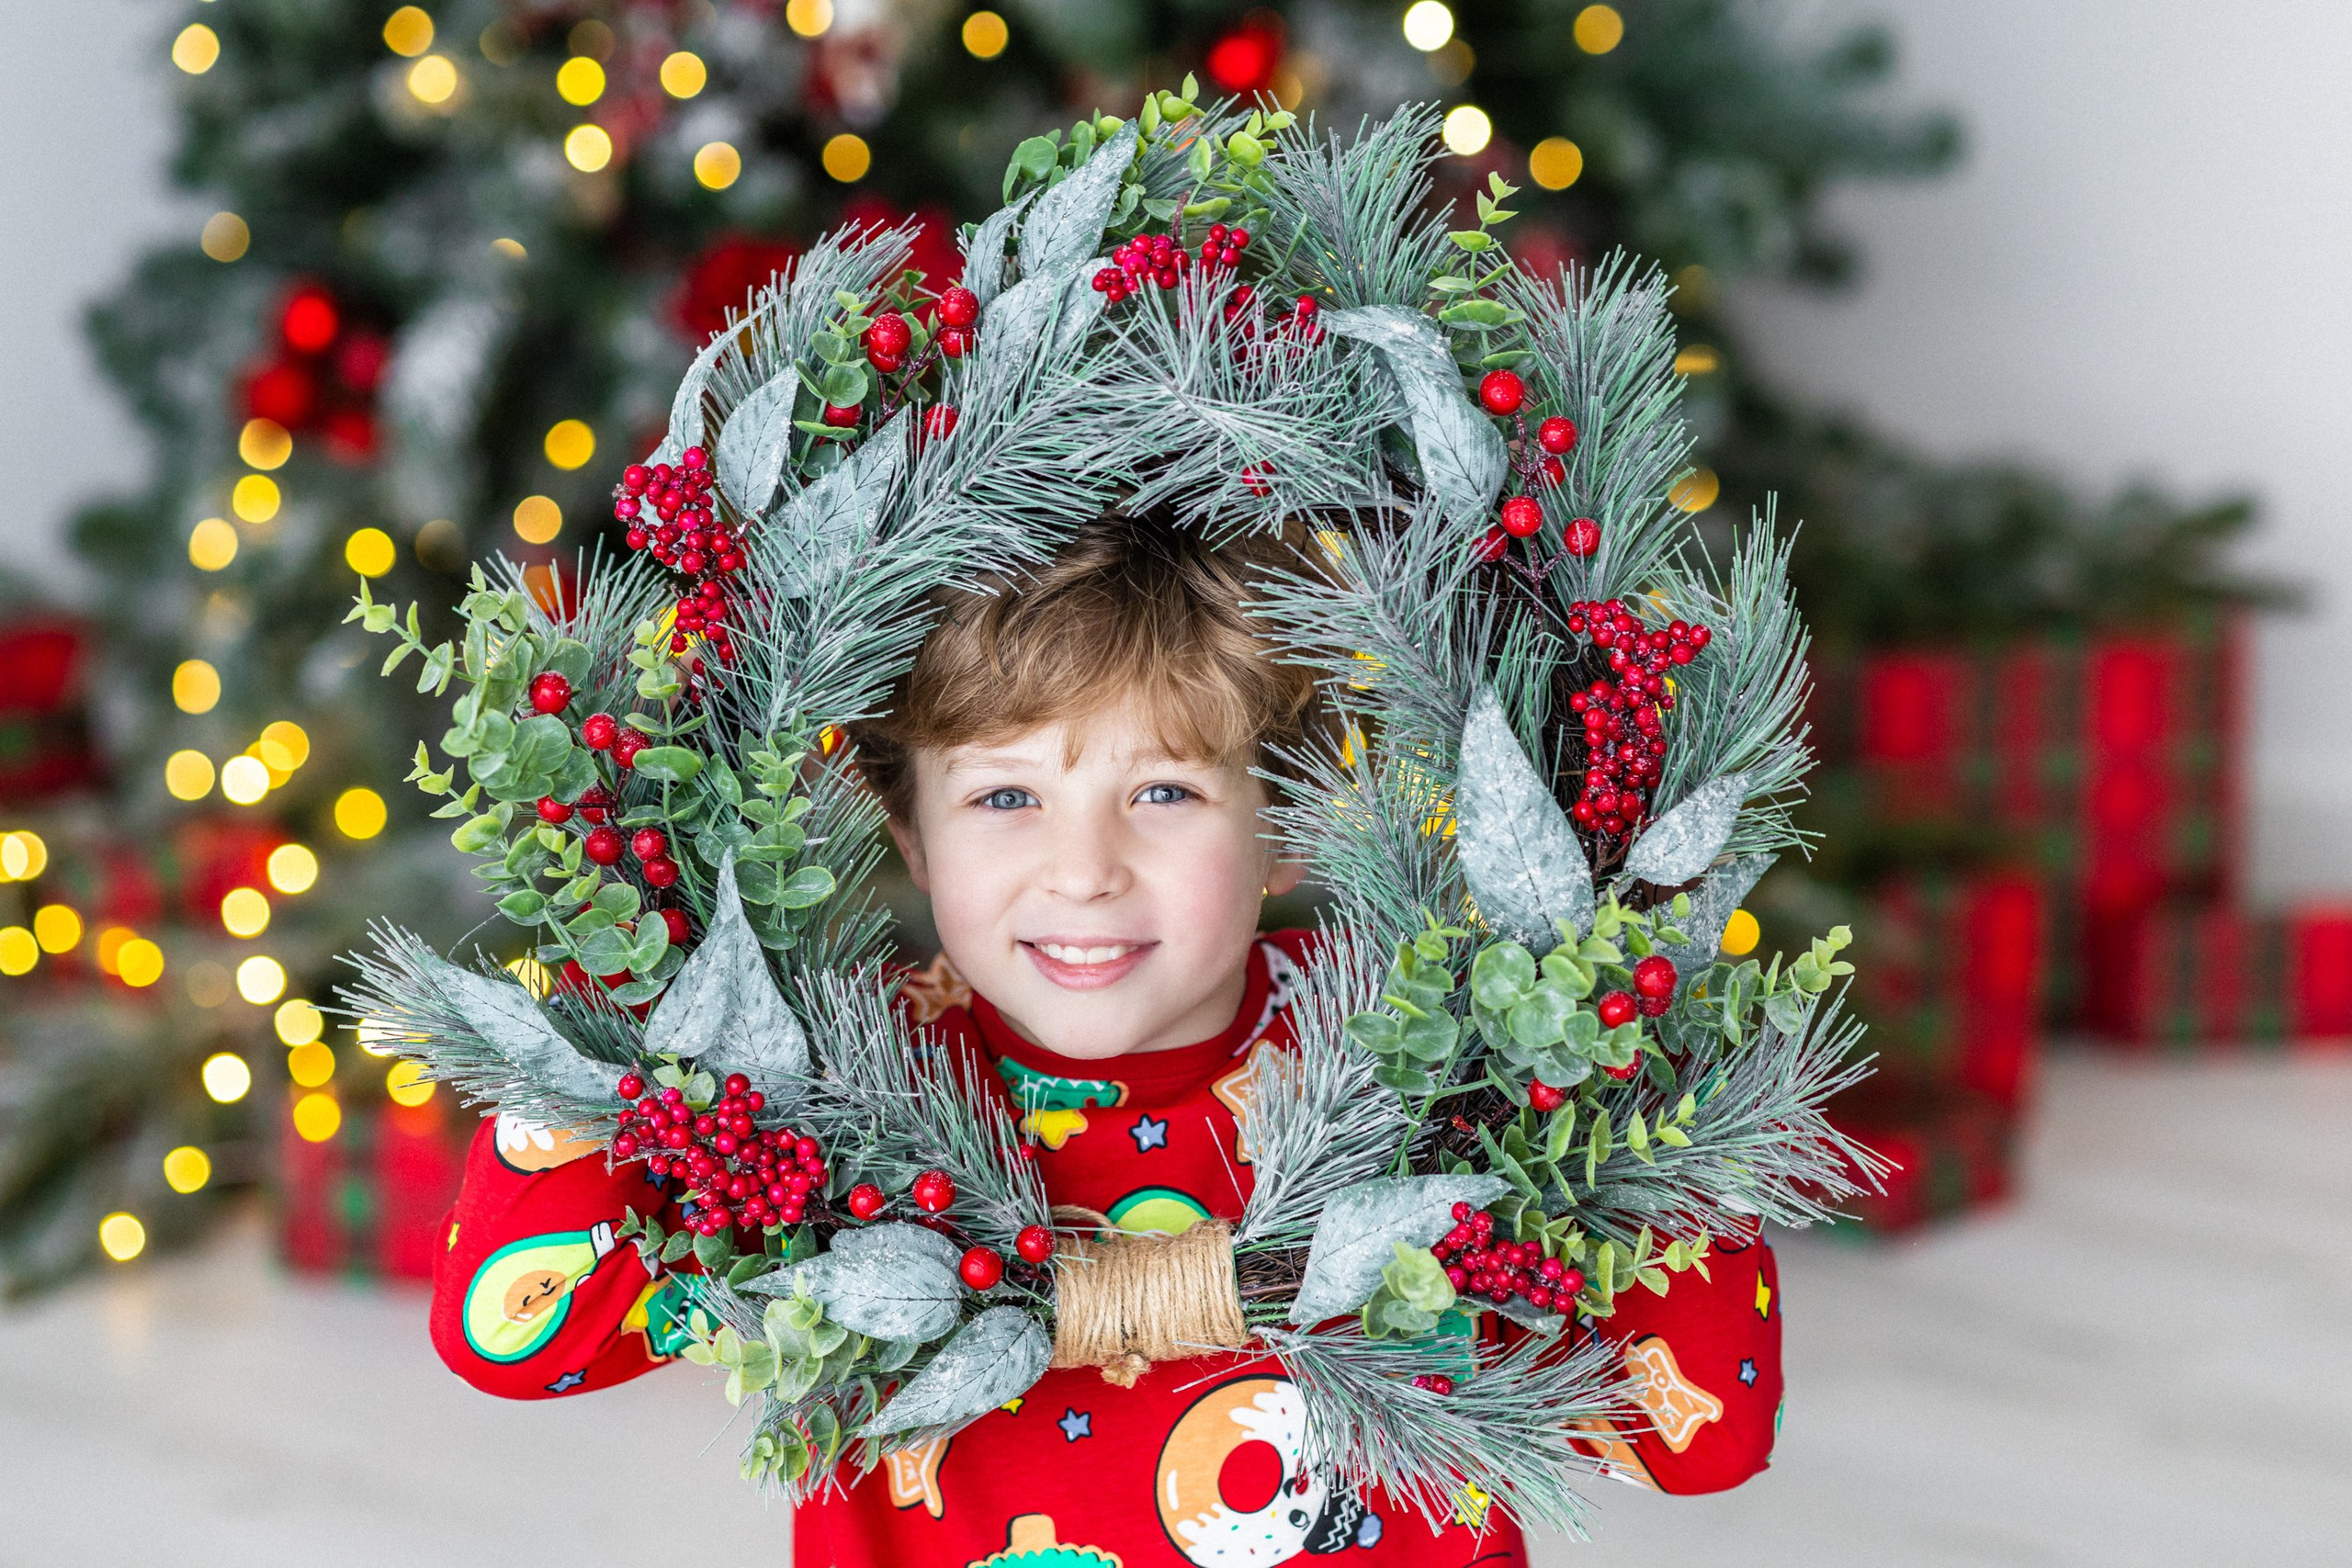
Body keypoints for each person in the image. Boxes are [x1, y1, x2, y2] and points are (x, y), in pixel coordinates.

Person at [428, 514, 1785, 1567]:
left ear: (1288, 830)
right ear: (909, 834)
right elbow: (510, 1339)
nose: (1084, 870)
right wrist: (629, 950)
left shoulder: (1421, 1055)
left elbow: (1702, 1437)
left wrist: (1630, 1033)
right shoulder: (823, 1092)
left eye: (1165, 791)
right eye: (1007, 794)